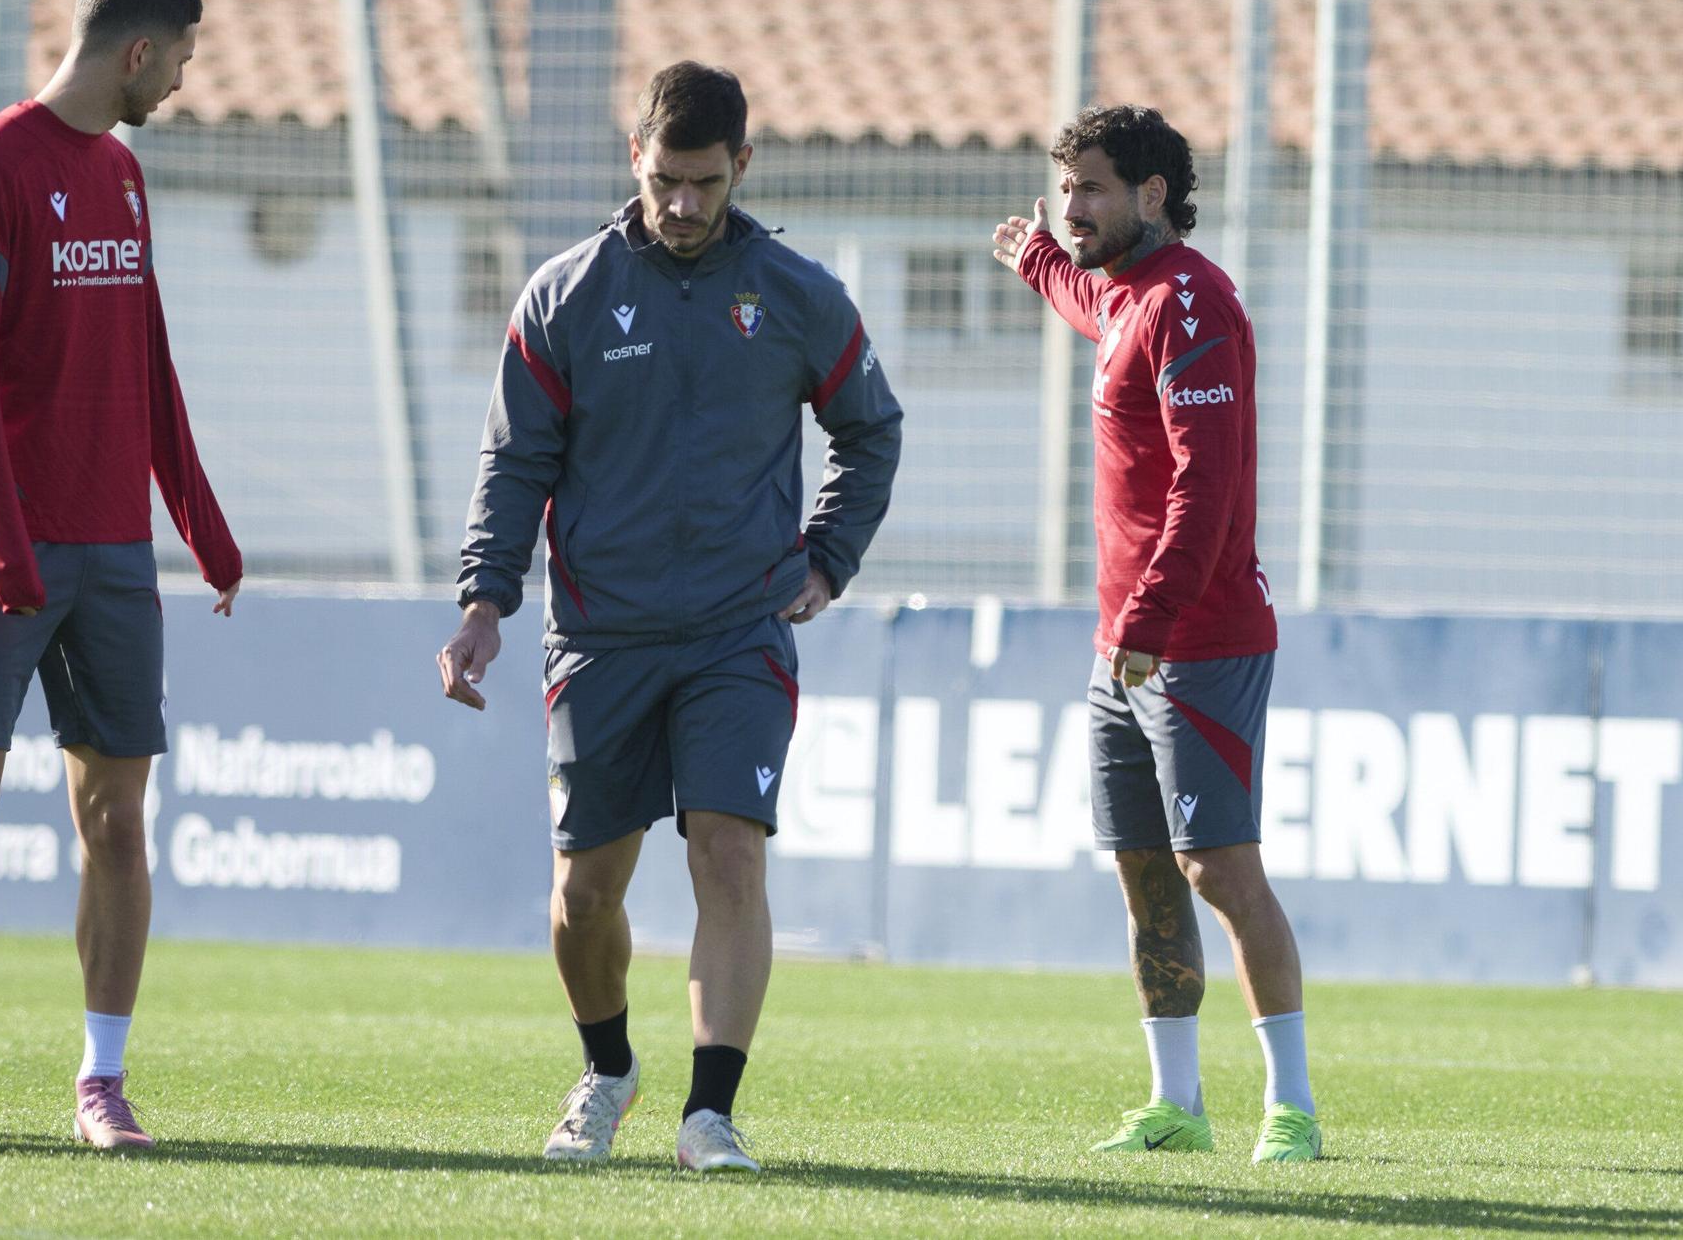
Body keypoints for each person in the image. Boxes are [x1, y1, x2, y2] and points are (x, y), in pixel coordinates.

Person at [438, 61, 901, 1173]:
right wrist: (484, 602)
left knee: (730, 858)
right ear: (633, 158)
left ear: (742, 166)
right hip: (600, 637)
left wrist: (827, 557)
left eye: (705, 182)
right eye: (665, 181)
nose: (684, 204)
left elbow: (870, 428)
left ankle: (710, 1113)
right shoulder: (564, 296)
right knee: (584, 891)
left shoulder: (795, 293)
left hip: (739, 632)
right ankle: (607, 1070)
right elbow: (513, 464)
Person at [0, 0, 241, 1153]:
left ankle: (102, 1082)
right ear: (137, 53)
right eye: (181, 60)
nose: (182, 83)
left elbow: (147, 361)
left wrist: (201, 525)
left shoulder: (123, 176)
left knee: (116, 824)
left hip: (112, 556)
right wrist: (2, 549)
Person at [992, 104, 1320, 1163]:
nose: (1072, 208)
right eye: (1064, 190)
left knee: (1217, 867)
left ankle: (1292, 1106)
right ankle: (1176, 1101)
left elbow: (1204, 487)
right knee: (1143, 869)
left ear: (1151, 194)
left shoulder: (1191, 301)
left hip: (1197, 640)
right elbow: (1082, 297)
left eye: (1089, 189)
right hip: (1122, 648)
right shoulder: (1122, 292)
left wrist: (1147, 617)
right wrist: (1036, 258)